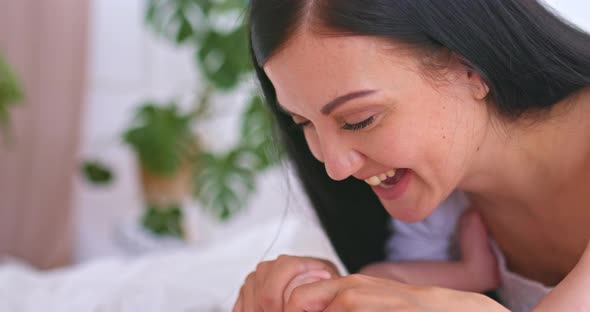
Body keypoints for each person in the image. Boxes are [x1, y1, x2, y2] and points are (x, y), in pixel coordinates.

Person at [235, 0, 590, 311]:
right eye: (304, 123)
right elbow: (399, 289)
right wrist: (328, 290)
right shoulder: (441, 207)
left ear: (470, 66)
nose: (335, 167)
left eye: (360, 120)